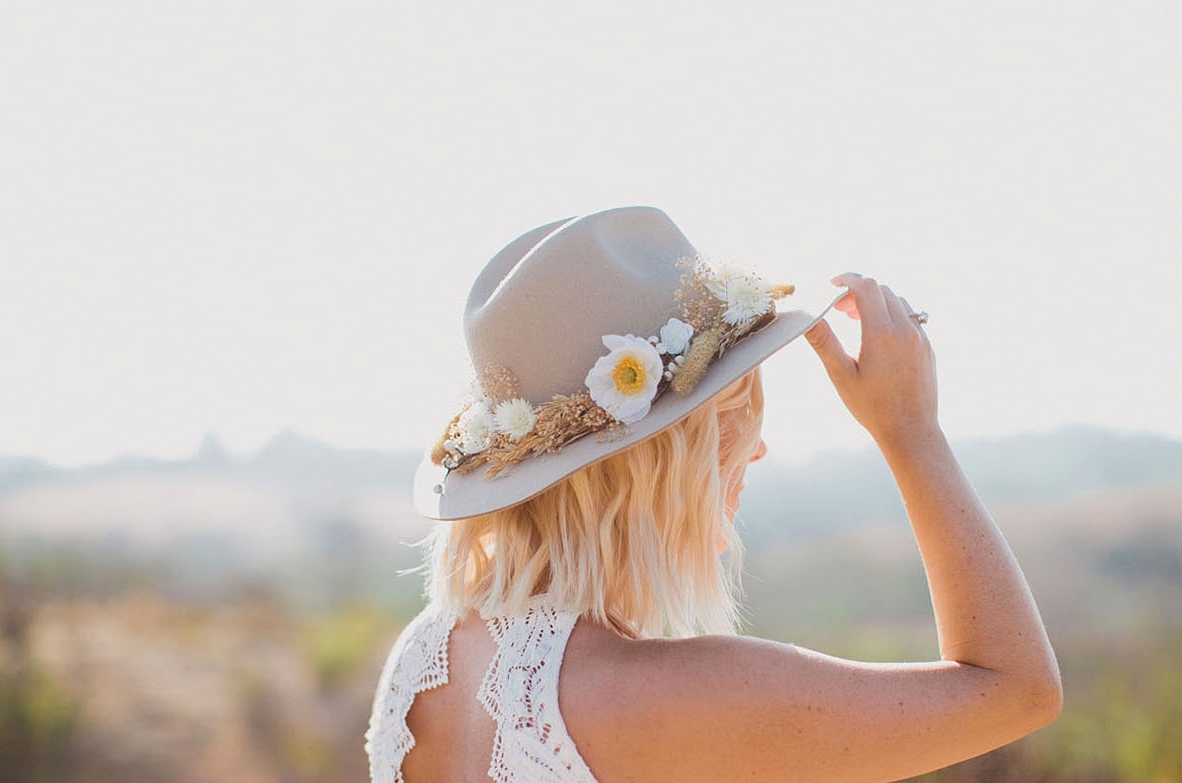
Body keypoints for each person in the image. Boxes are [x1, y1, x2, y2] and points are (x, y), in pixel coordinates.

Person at [365, 206, 1062, 782]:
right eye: (728, 422)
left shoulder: (422, 664)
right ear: (666, 461)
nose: (755, 450)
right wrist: (912, 433)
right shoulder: (686, 694)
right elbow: (1015, 688)